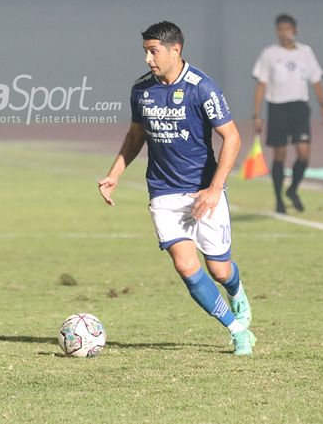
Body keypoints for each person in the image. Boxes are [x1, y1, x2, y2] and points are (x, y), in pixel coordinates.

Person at [98, 21, 255, 355]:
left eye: (153, 52)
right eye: (145, 52)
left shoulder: (202, 88)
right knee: (185, 266)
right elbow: (135, 136)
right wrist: (115, 174)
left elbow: (232, 137)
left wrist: (214, 189)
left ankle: (237, 291)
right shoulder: (141, 90)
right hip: (163, 190)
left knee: (219, 269)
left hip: (203, 191)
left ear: (175, 50)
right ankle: (237, 330)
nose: (148, 59)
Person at [251, 14, 323, 213]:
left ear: (295, 30)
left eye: (287, 29)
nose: (283, 33)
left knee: (303, 152)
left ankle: (292, 189)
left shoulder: (306, 53)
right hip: (277, 107)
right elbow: (262, 84)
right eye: (280, 29)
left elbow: (316, 79)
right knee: (280, 154)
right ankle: (278, 198)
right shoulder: (269, 54)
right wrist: (257, 115)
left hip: (299, 107)